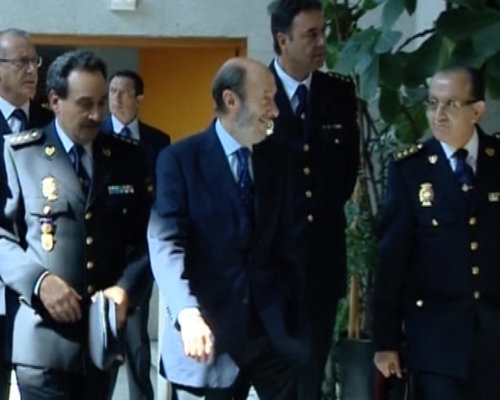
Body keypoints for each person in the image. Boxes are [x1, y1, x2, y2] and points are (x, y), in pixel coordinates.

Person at [148, 57, 308, 400]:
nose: (276, 110)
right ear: (231, 100)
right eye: (266, 98)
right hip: (207, 339)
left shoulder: (278, 160)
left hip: (271, 337)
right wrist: (187, 313)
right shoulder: (180, 160)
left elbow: (288, 245)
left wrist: (295, 318)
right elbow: (166, 243)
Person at [0, 49, 150, 400]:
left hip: (101, 338)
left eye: (101, 102)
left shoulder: (126, 156)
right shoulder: (21, 155)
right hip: (42, 341)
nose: (97, 114)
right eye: (85, 104)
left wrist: (126, 288)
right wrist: (38, 281)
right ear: (55, 101)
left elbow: (149, 238)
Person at [373, 66, 500, 400]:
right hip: (435, 339)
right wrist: (385, 342)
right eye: (432, 103)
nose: (438, 114)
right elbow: (391, 260)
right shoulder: (410, 169)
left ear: (477, 110)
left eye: (451, 104)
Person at [269, 1, 360, 399]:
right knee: (273, 379)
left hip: (321, 264)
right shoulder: (254, 91)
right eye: (311, 34)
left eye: (323, 32)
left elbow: (346, 173)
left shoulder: (337, 93)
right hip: (270, 266)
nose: (322, 42)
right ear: (282, 40)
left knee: (310, 380)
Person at [102, 69, 170, 400]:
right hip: (104, 253)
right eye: (112, 91)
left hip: (141, 254)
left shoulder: (157, 141)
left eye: (124, 92)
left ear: (139, 98)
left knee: (136, 341)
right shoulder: (96, 135)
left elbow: (161, 198)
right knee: (104, 342)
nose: (116, 98)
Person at [0, 28, 53, 400]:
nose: (32, 70)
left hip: (42, 285)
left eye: (35, 61)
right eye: (21, 62)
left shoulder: (51, 126)